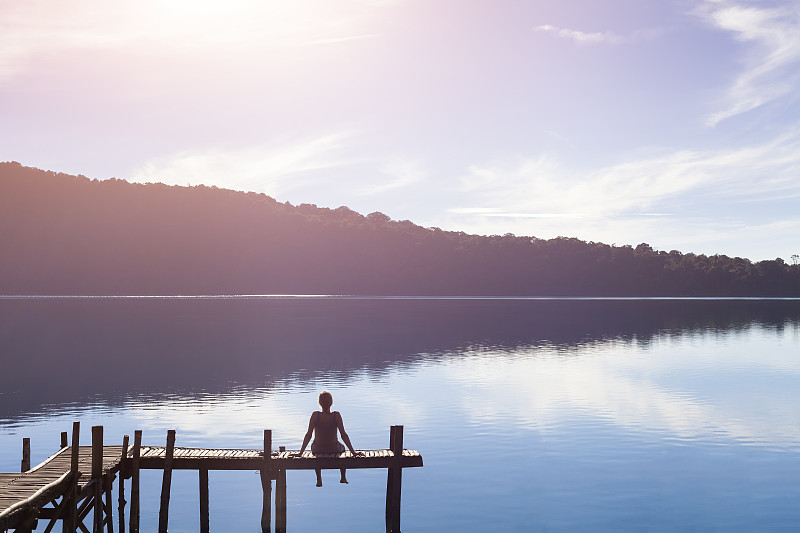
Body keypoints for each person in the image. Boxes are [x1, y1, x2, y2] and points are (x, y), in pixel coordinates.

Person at [297, 390, 360, 486]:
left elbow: (308, 435)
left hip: (318, 449)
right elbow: (344, 435)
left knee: (314, 448)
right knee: (343, 448)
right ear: (331, 403)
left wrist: (300, 453)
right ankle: (343, 476)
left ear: (319, 403)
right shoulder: (336, 415)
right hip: (334, 448)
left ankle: (319, 478)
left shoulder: (315, 415)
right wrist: (353, 452)